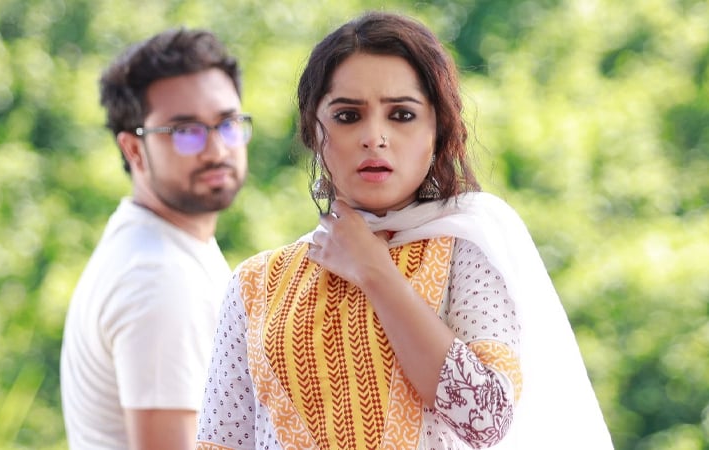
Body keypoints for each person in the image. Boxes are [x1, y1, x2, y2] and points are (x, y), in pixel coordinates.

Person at [197, 11, 612, 450]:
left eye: (402, 114)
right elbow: (220, 442)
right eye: (347, 116)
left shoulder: (466, 251)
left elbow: (485, 419)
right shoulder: (257, 285)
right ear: (313, 131)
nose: (374, 137)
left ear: (437, 131)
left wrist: (375, 271)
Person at [60, 27, 251, 449]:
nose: (217, 150)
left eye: (227, 124)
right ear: (133, 150)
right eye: (186, 132)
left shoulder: (161, 246)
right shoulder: (159, 276)